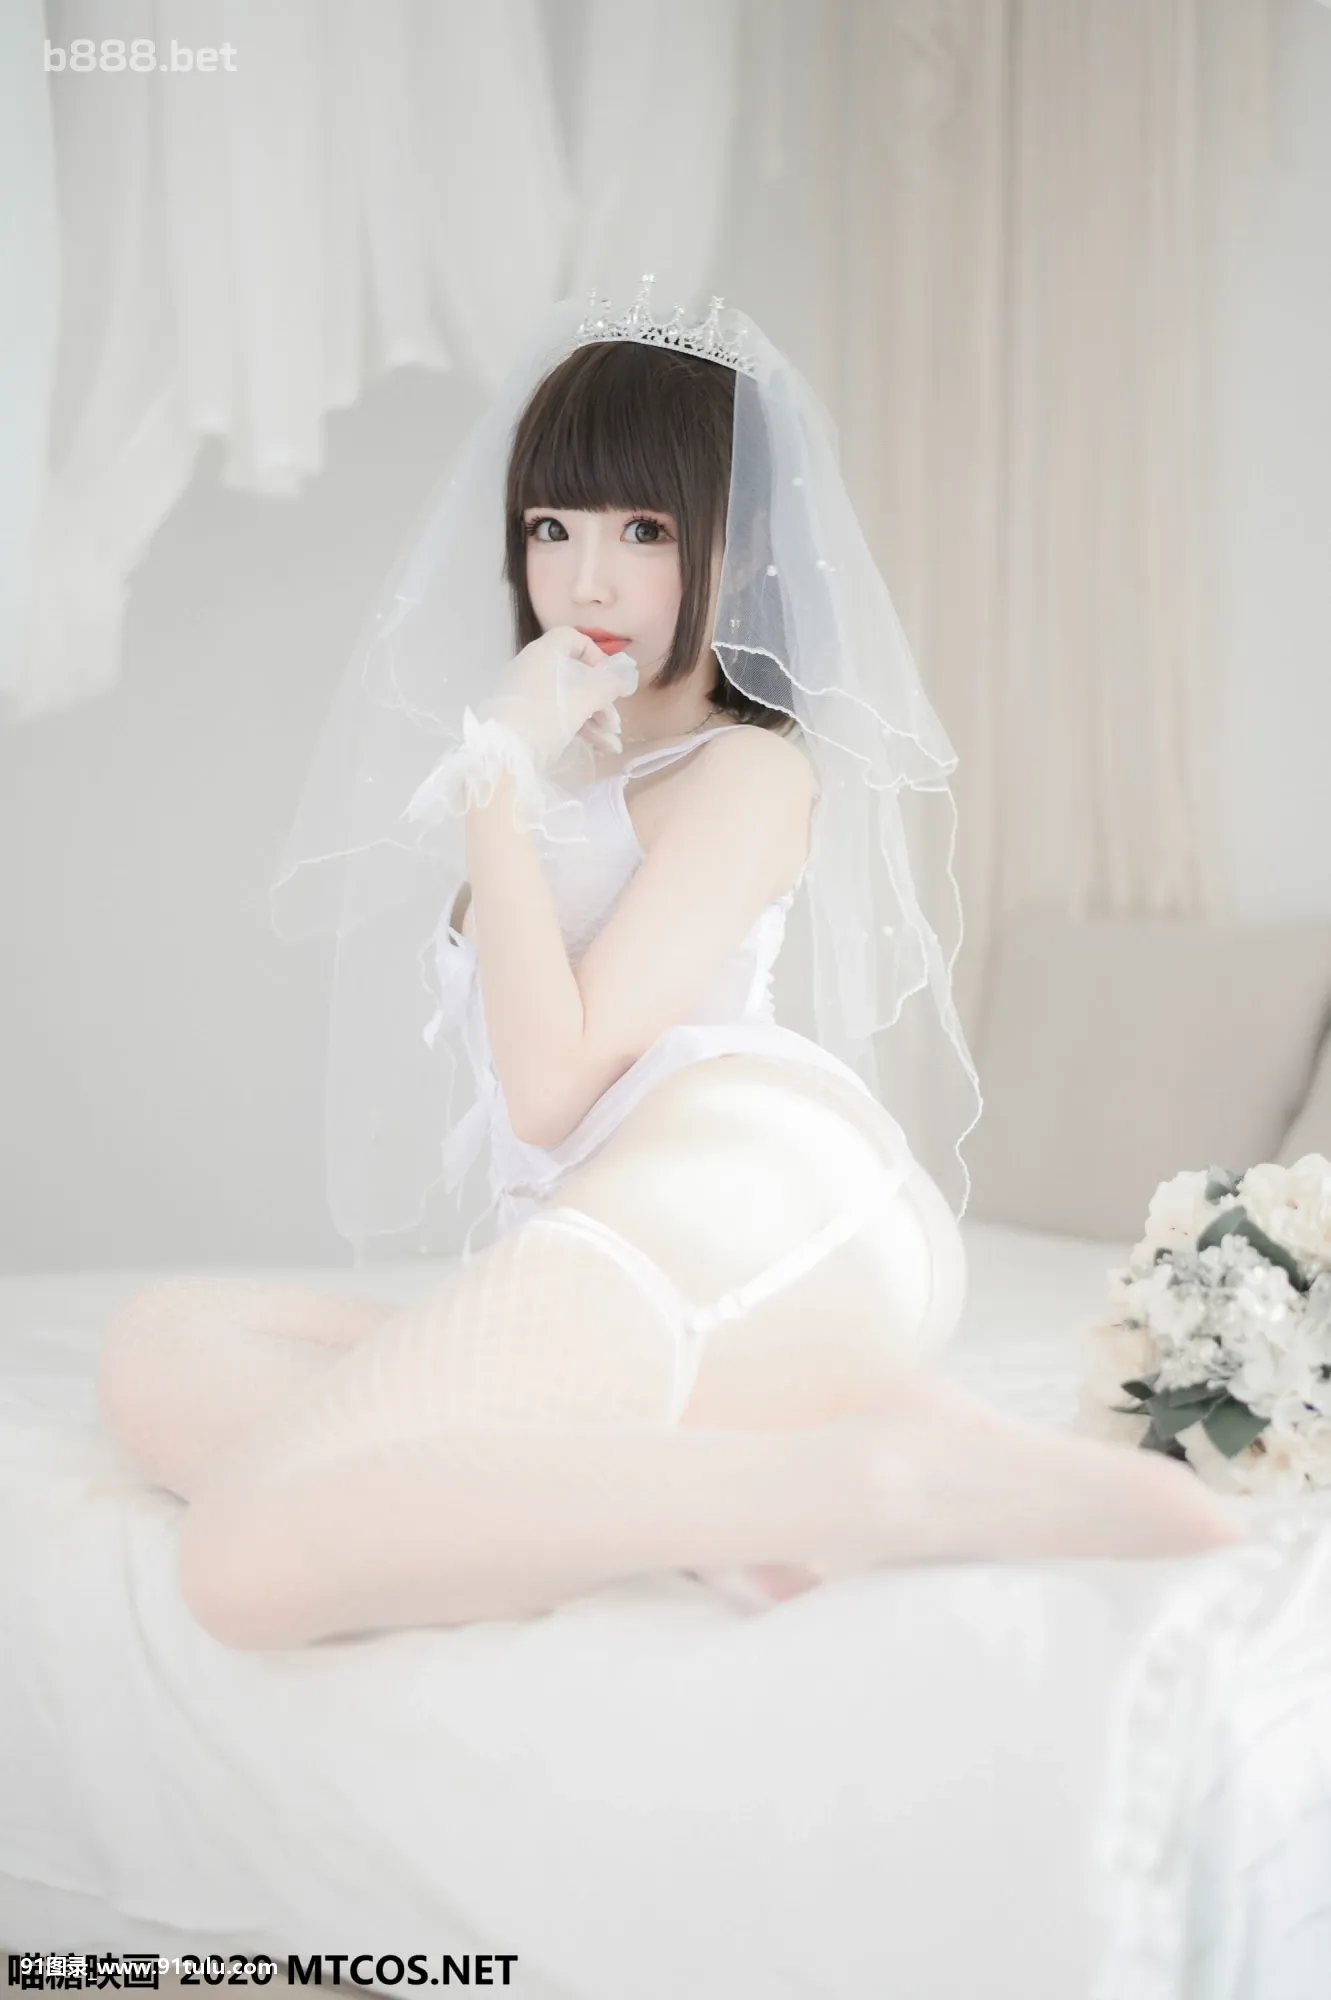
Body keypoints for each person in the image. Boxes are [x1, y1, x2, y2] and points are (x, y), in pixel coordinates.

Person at [96, 287, 1246, 1650]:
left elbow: (550, 1092)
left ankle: (869, 1484)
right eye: (552, 528)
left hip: (763, 1194)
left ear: (739, 545)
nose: (585, 582)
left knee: (244, 1557)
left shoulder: (743, 770)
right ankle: (750, 1500)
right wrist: (521, 770)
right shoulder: (561, 765)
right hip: (622, 1237)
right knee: (160, 1349)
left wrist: (492, 776)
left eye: (643, 530)